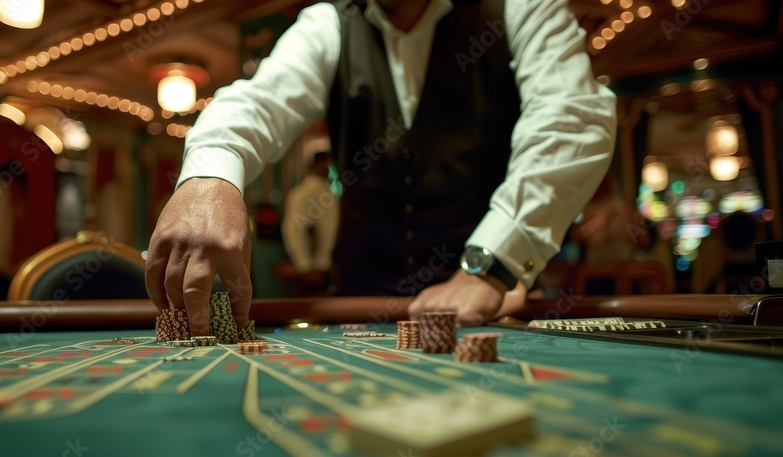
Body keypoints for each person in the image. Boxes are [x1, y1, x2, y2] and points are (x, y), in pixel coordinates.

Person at [145, 0, 617, 332]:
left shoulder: (518, 7)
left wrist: (488, 267)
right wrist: (209, 176)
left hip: (489, 305)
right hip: (358, 301)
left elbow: (571, 122)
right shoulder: (328, 24)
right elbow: (258, 103)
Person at [281, 150, 340, 293]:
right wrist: (304, 265)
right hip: (315, 270)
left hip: (327, 267)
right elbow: (293, 229)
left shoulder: (327, 191)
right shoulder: (305, 192)